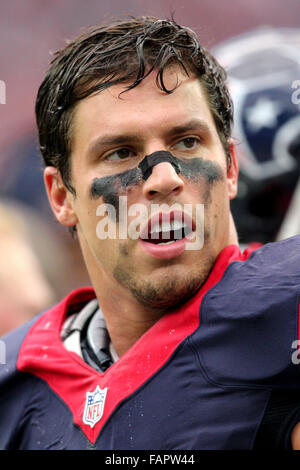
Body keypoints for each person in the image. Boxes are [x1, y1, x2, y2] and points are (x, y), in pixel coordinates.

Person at [1, 16, 300, 450]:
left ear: (231, 167)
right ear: (62, 196)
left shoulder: (284, 311)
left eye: (187, 142)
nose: (163, 177)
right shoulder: (18, 381)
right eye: (121, 152)